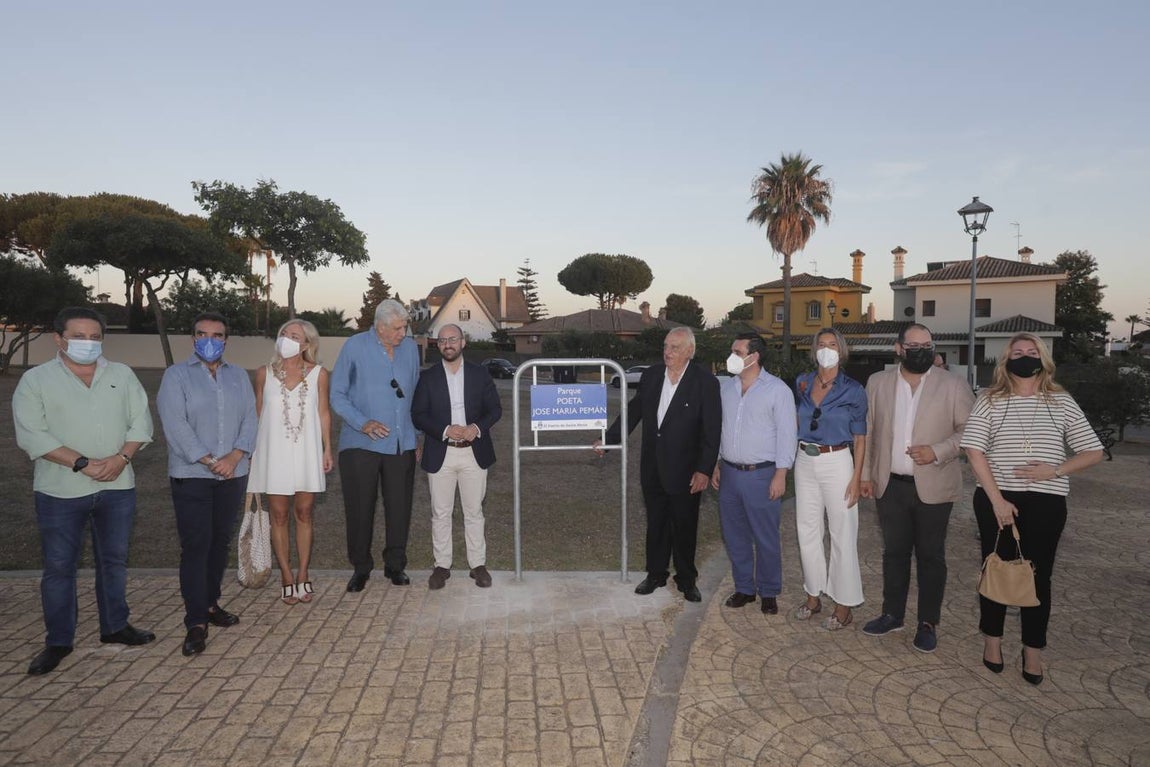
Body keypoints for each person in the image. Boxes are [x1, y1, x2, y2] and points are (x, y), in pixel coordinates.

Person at [13, 307, 155, 675]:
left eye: (94, 337)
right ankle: (58, 641)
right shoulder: (36, 380)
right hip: (60, 490)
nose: (87, 344)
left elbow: (141, 421)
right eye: (78, 336)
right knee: (60, 567)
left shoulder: (121, 375)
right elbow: (32, 433)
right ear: (58, 339)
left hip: (117, 486)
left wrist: (122, 458)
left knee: (113, 562)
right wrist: (82, 463)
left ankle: (115, 626)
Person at [961, 332, 1103, 685]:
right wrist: (998, 501)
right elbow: (974, 451)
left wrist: (1054, 470)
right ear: (1006, 360)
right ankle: (992, 643)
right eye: (1017, 352)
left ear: (1043, 358)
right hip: (996, 498)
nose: (1024, 357)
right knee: (995, 569)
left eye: (1031, 351)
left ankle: (1032, 650)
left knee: (1039, 577)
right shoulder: (990, 400)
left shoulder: (1061, 401)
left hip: (1046, 502)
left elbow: (1093, 451)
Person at [859, 324, 974, 652]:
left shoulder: (953, 385)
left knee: (930, 556)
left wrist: (938, 451)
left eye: (927, 344)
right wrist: (866, 475)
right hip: (890, 485)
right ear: (899, 349)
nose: (921, 350)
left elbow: (970, 430)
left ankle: (928, 622)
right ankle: (892, 613)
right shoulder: (877, 383)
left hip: (934, 486)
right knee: (893, 554)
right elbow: (866, 431)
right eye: (914, 345)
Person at [594, 327, 721, 603]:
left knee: (685, 526)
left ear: (690, 351)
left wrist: (704, 469)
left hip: (688, 471)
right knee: (656, 524)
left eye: (675, 347)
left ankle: (687, 579)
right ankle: (655, 574)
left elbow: (712, 430)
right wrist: (609, 439)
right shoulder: (651, 376)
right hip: (652, 468)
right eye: (666, 346)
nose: (668, 352)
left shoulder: (705, 382)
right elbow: (633, 412)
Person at [157, 312, 257, 657]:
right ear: (193, 338)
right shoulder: (176, 376)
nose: (210, 340)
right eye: (202, 334)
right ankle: (195, 620)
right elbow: (175, 424)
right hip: (192, 475)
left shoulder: (238, 377)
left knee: (219, 542)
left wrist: (235, 456)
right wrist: (209, 460)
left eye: (217, 334)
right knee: (196, 546)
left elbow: (250, 418)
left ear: (226, 340)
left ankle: (211, 604)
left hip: (233, 473)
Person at [330, 299, 420, 592]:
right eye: (396, 328)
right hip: (360, 444)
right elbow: (338, 395)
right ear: (379, 327)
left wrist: (414, 435)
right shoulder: (355, 346)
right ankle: (361, 567)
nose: (402, 333)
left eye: (404, 326)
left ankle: (396, 566)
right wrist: (362, 422)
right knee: (360, 509)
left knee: (399, 508)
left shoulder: (410, 349)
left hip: (400, 444)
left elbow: (414, 394)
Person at [247, 319, 333, 605]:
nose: (286, 338)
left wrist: (327, 449)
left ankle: (303, 573)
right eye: (284, 333)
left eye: (294, 335)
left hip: (307, 451)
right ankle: (285, 574)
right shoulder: (263, 374)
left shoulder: (320, 374)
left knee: (305, 512)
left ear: (307, 343)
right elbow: (257, 417)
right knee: (279, 515)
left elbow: (323, 413)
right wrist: (253, 455)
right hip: (273, 454)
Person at [710, 333, 796, 615]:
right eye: (732, 349)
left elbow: (787, 434)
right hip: (730, 473)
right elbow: (720, 430)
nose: (731, 355)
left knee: (765, 536)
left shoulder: (777, 390)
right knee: (735, 536)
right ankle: (744, 588)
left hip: (762, 474)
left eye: (737, 351)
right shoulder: (726, 389)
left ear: (754, 356)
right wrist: (715, 463)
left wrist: (781, 474)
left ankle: (769, 591)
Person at [411, 324, 502, 590]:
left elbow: (495, 409)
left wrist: (475, 429)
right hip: (441, 454)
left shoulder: (479, 374)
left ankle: (478, 565)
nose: (447, 344)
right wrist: (444, 430)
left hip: (474, 454)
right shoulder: (428, 378)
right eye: (442, 340)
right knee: (441, 513)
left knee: (474, 512)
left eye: (452, 339)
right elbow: (418, 415)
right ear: (437, 345)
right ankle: (442, 566)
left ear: (463, 342)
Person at [793, 328, 867, 630]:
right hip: (804, 460)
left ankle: (844, 603)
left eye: (832, 344)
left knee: (842, 533)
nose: (826, 349)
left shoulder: (854, 390)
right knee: (807, 530)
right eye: (821, 344)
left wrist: (857, 477)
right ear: (814, 350)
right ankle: (813, 595)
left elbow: (861, 437)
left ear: (842, 349)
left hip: (838, 462)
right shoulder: (802, 382)